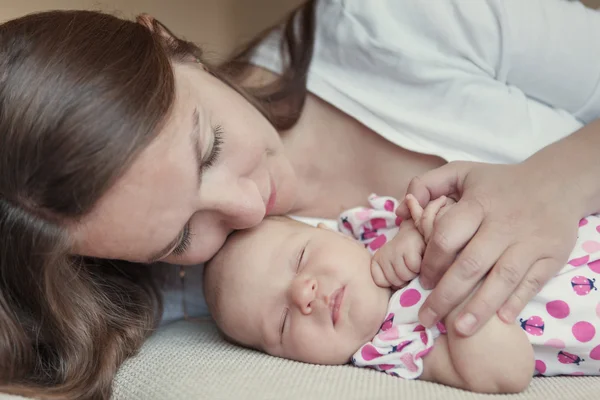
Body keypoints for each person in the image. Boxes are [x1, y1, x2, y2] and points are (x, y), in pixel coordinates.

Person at [1, 0, 600, 398]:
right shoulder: (170, 290)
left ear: (163, 42)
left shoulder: (402, 20)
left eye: (209, 148)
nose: (245, 208)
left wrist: (554, 181)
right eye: (181, 236)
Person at [203, 193, 600, 393]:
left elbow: (475, 198)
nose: (302, 294)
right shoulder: (393, 349)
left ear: (328, 231)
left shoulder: (385, 226)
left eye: (300, 257)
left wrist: (433, 225)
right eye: (283, 321)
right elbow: (507, 371)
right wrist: (450, 271)